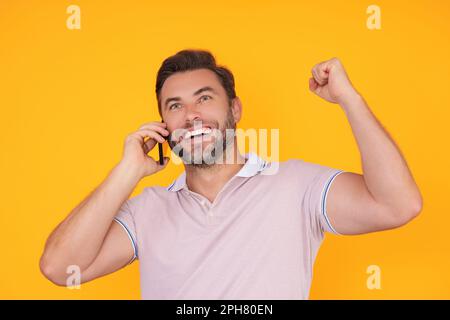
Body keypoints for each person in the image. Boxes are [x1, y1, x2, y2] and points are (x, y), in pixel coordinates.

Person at [40, 49, 423, 299]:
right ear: (163, 124)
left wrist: (349, 100)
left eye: (204, 98)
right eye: (175, 106)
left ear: (235, 110)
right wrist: (126, 172)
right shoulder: (147, 210)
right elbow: (60, 268)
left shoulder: (296, 186)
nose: (191, 115)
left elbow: (398, 205)